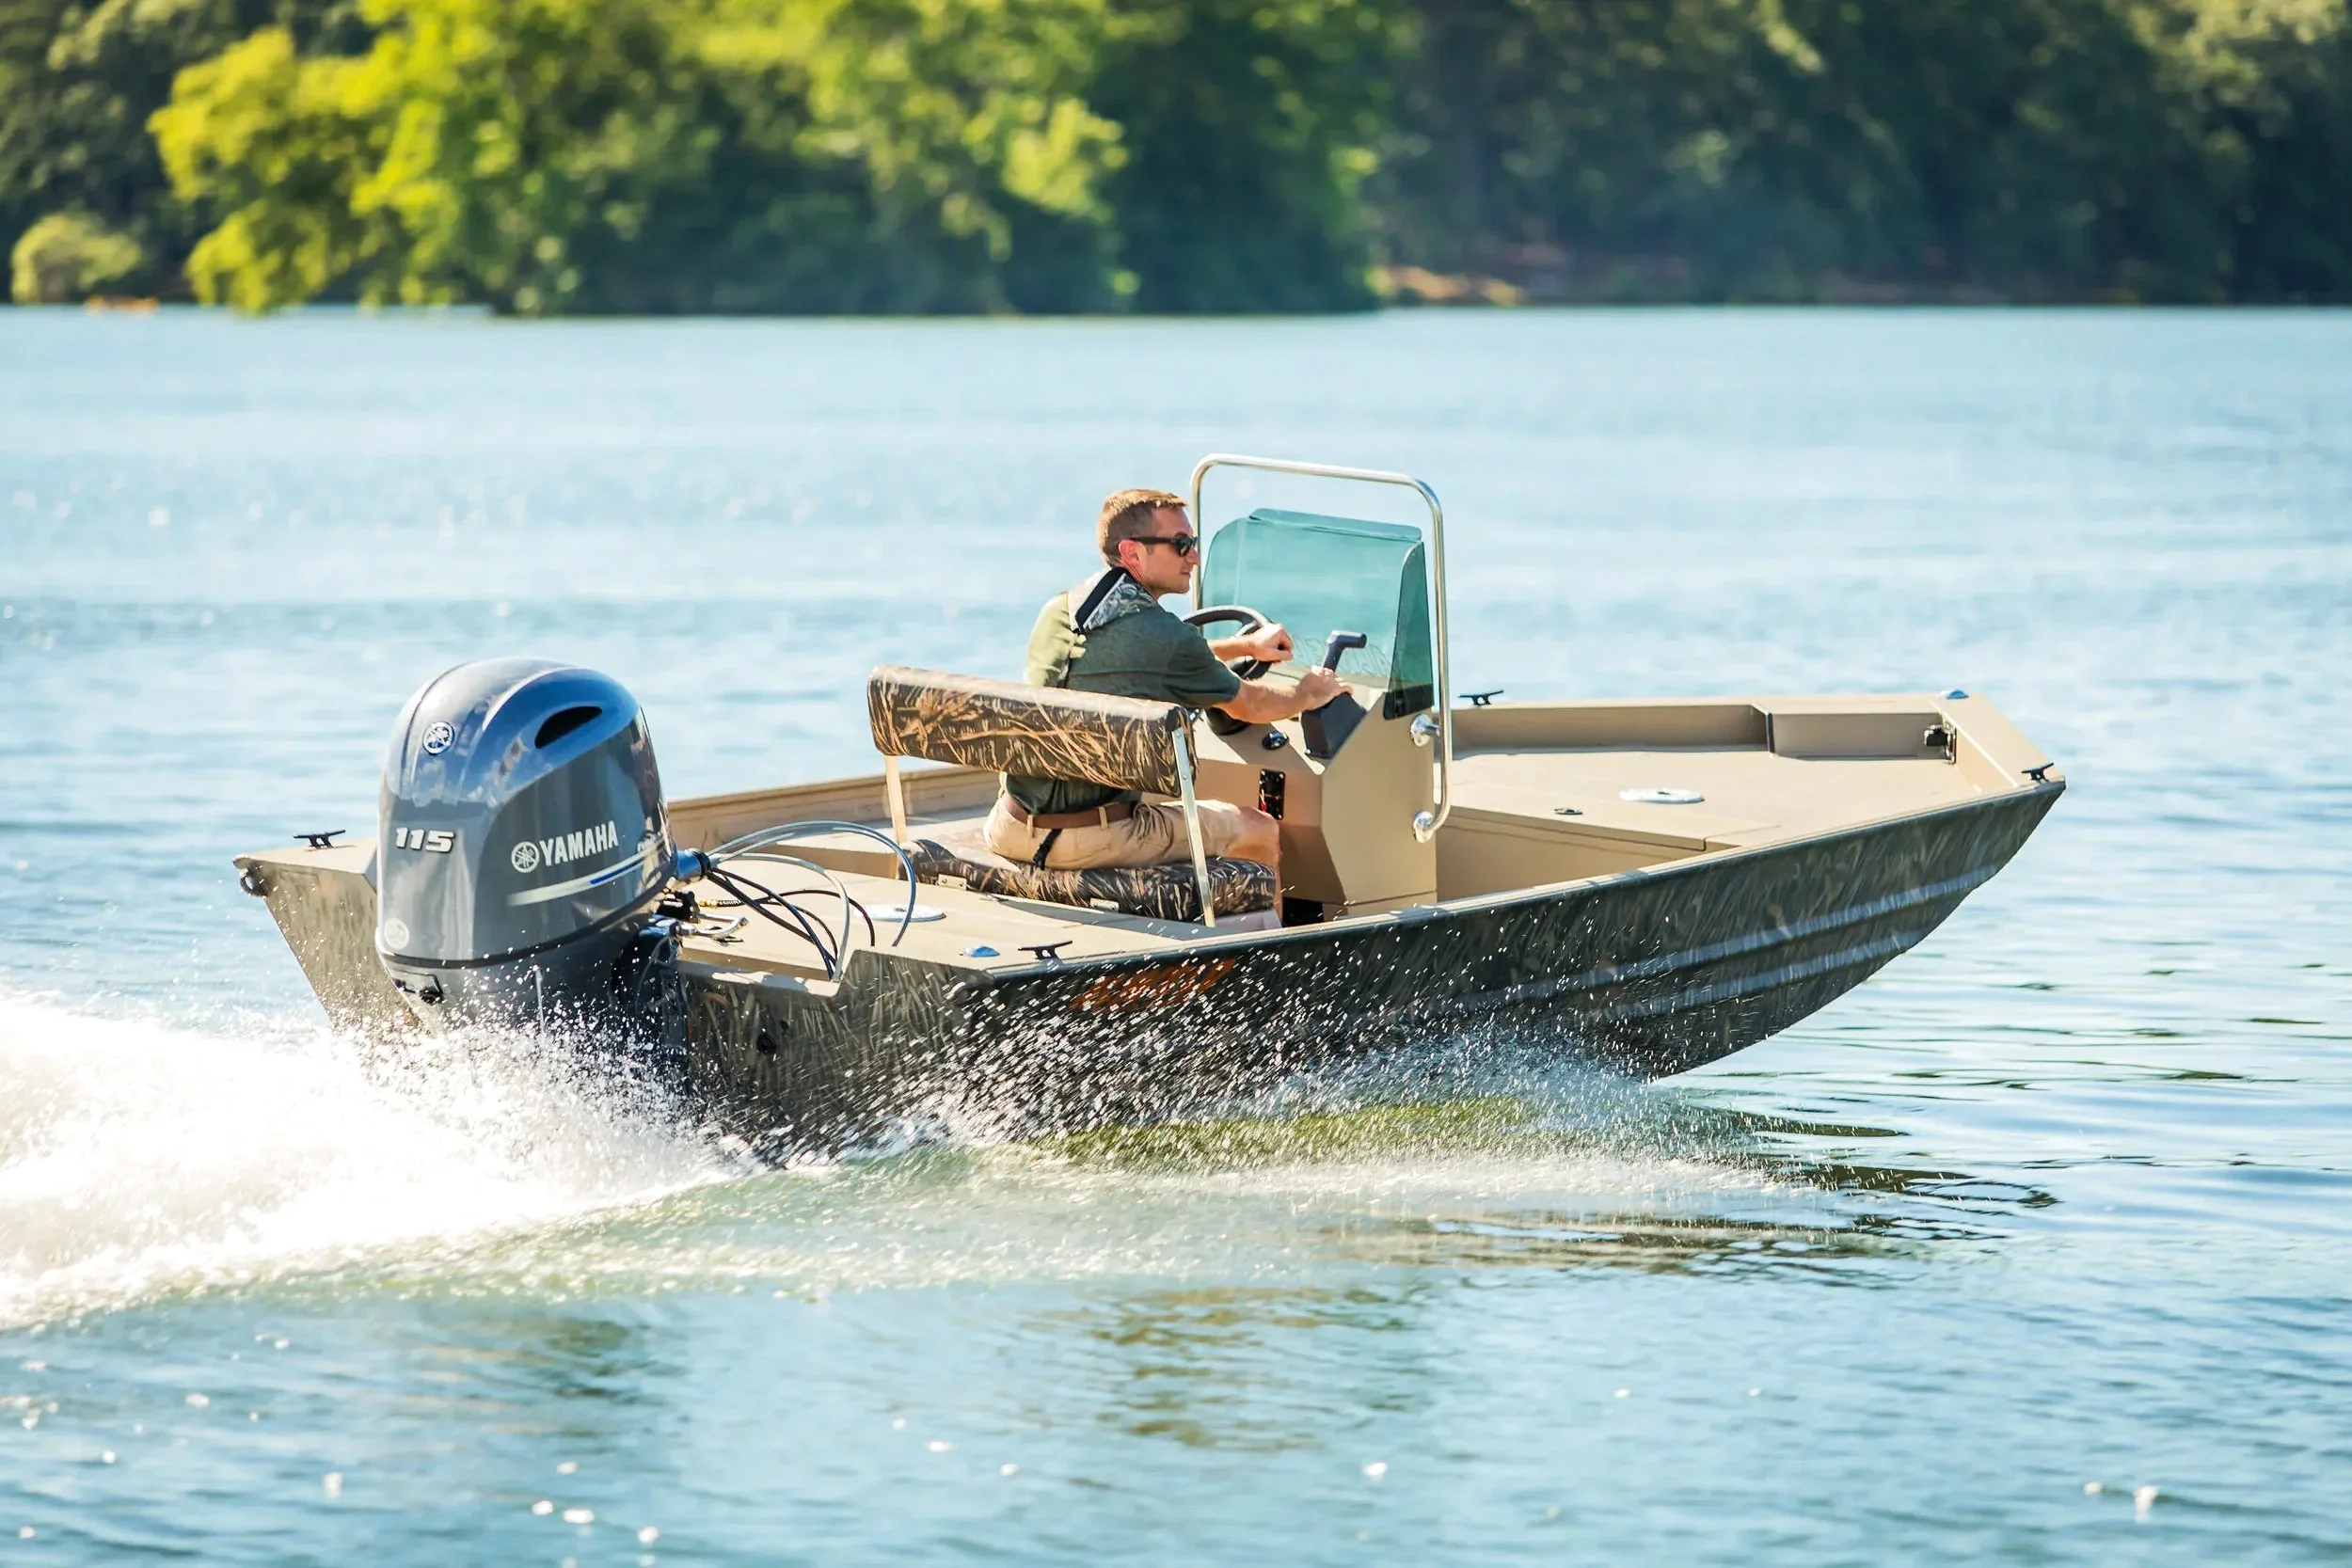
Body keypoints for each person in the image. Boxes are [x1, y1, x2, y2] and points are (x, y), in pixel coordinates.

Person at [984, 487, 1347, 879]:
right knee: (1259, 829)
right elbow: (1250, 705)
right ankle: (1262, 938)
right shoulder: (1162, 635)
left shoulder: (1059, 611)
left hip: (1010, 824)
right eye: (1180, 544)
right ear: (1132, 552)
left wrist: (1243, 646)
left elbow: (1153, 657)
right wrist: (1310, 691)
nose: (1194, 556)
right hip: (1085, 839)